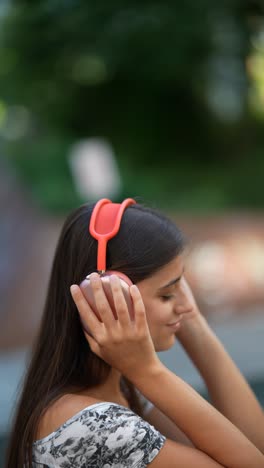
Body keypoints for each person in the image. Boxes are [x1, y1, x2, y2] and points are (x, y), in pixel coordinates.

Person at [6, 199, 264, 468]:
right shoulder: (89, 427)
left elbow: (254, 444)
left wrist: (193, 323)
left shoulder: (121, 392)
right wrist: (148, 371)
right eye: (166, 294)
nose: (186, 306)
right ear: (104, 297)